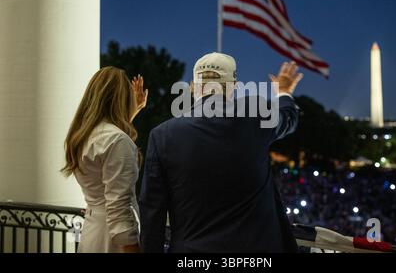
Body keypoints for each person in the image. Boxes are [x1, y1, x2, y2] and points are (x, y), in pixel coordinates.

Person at [139, 53, 303, 252]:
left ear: (193, 87)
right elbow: (288, 118)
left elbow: (152, 212)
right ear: (233, 85)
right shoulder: (257, 117)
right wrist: (284, 91)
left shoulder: (162, 135)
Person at [62, 67, 148, 253]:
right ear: (121, 99)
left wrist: (132, 113)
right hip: (113, 240)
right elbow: (118, 207)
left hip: (93, 229)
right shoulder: (117, 141)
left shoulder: (83, 135)